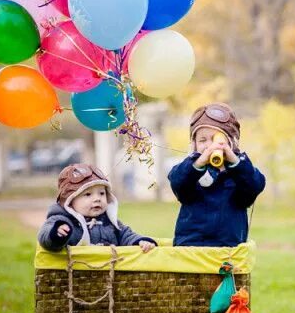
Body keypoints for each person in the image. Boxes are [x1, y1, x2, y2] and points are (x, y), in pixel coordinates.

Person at [169, 103, 266, 247]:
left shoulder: (240, 170)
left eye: (216, 140)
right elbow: (178, 183)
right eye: (203, 140)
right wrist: (198, 163)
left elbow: (255, 185)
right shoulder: (190, 169)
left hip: (228, 248)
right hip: (191, 246)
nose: (210, 145)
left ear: (231, 142)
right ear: (194, 144)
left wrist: (234, 161)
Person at [38, 163, 157, 252]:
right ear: (70, 200)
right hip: (76, 273)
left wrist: (140, 241)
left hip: (109, 276)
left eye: (101, 193)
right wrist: (56, 233)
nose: (97, 199)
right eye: (88, 194)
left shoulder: (109, 221)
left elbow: (126, 235)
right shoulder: (63, 221)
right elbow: (44, 236)